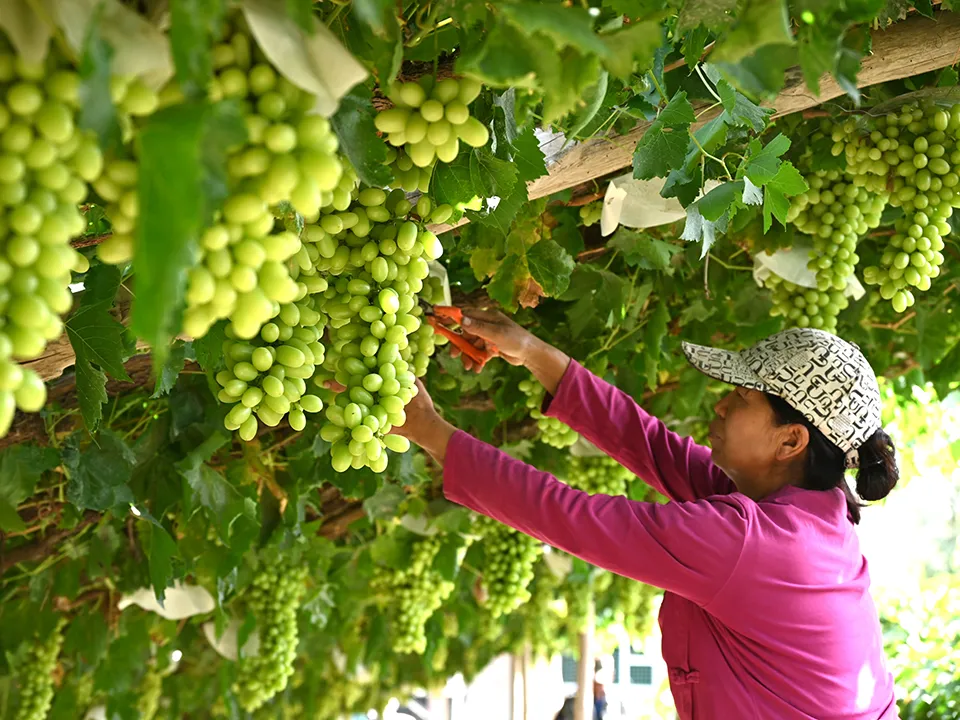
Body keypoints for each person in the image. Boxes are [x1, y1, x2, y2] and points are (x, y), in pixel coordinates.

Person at [395, 311, 902, 720]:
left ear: (790, 440)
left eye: (741, 398)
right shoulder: (801, 515)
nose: (721, 407)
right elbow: (649, 443)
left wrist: (430, 430)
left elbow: (569, 516)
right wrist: (532, 352)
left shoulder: (752, 543)